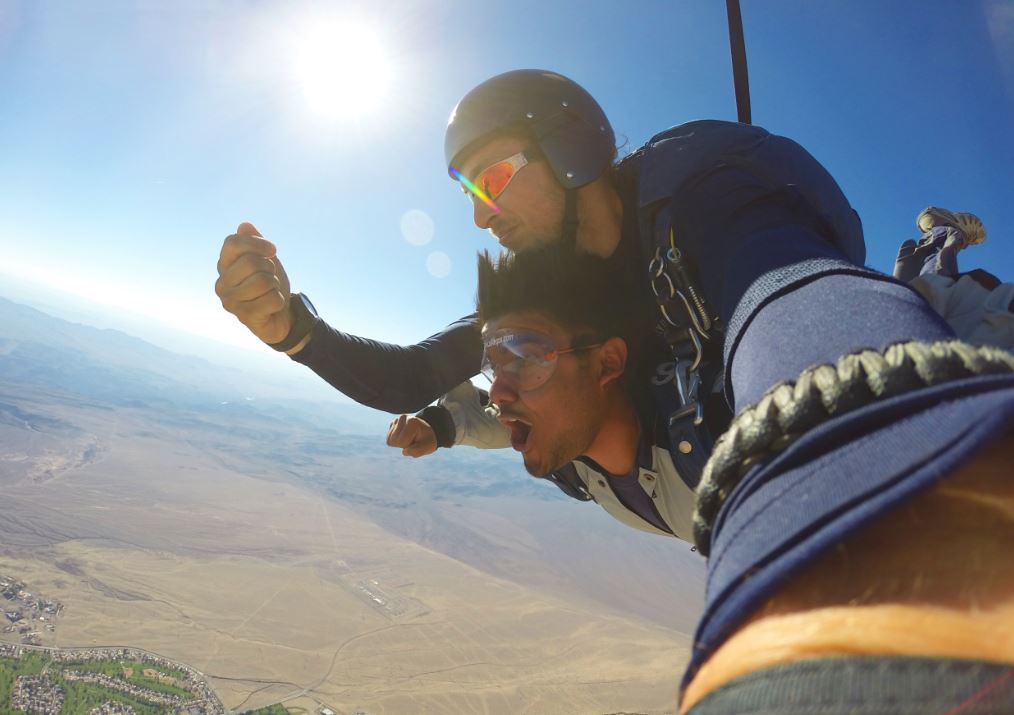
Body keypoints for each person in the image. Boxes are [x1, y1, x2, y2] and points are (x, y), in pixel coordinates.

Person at [216, 69, 1014, 710]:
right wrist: (297, 331)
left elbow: (787, 295)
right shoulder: (557, 295)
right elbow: (420, 372)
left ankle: (931, 257)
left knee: (957, 316)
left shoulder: (706, 202)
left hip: (856, 322)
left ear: (568, 148)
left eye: (491, 178)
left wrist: (851, 508)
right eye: (467, 194)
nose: (481, 217)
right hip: (704, 411)